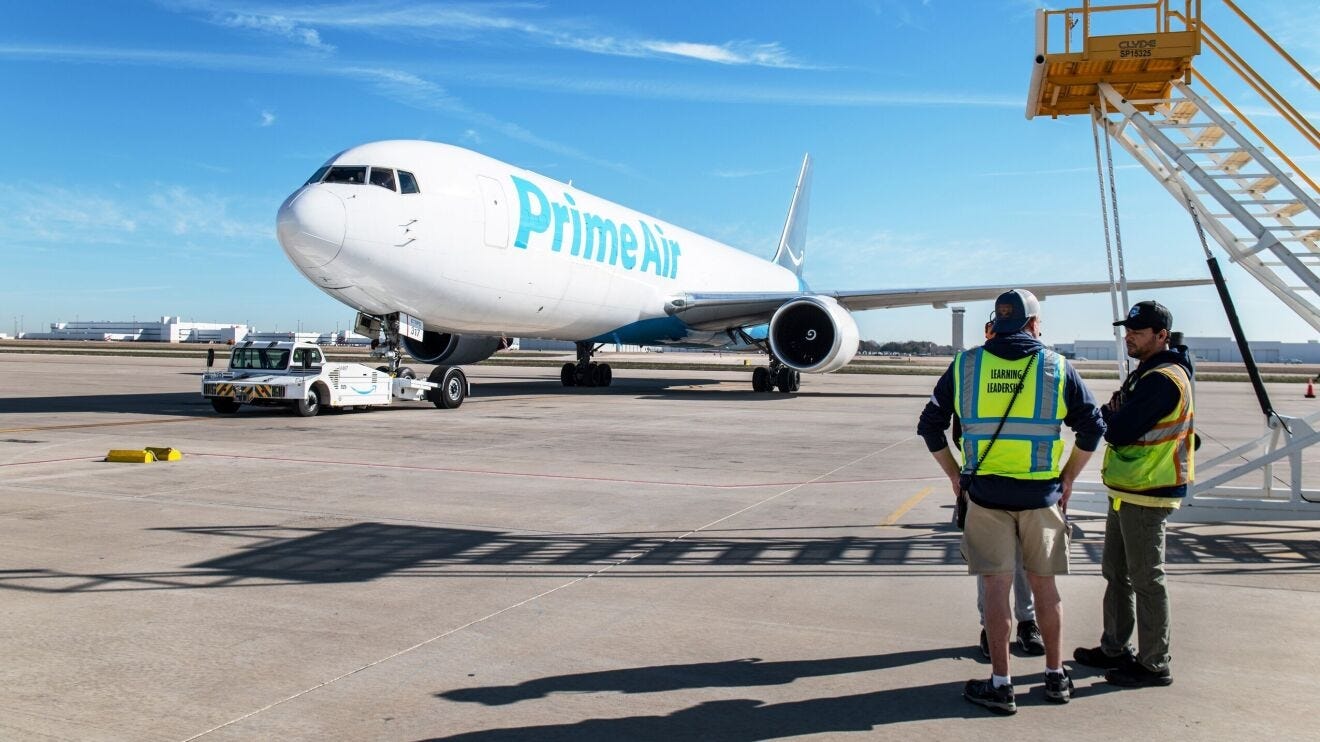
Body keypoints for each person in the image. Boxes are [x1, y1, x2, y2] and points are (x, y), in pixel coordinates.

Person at [919, 289, 1105, 714]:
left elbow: (930, 425)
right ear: (1034, 324)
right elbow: (1092, 427)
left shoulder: (966, 365)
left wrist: (954, 475)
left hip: (985, 496)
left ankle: (1001, 684)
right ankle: (1056, 677)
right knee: (1046, 589)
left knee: (996, 588)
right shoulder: (1057, 367)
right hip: (1042, 495)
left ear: (996, 322)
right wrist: (1068, 477)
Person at [1074, 300, 1194, 688]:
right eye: (1128, 330)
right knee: (1116, 573)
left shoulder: (1163, 379)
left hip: (1149, 489)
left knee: (1146, 578)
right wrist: (1116, 412)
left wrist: (1113, 414)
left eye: (1138, 332)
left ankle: (1155, 662)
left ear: (1162, 336)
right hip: (1128, 487)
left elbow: (1118, 428)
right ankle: (1114, 647)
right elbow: (1118, 415)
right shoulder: (1147, 373)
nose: (1129, 336)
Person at [958, 322, 1045, 659]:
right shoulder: (971, 367)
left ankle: (1024, 624)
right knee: (1002, 566)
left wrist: (957, 475)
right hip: (995, 485)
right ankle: (1007, 630)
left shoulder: (1044, 365)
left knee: (1004, 566)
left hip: (1025, 485)